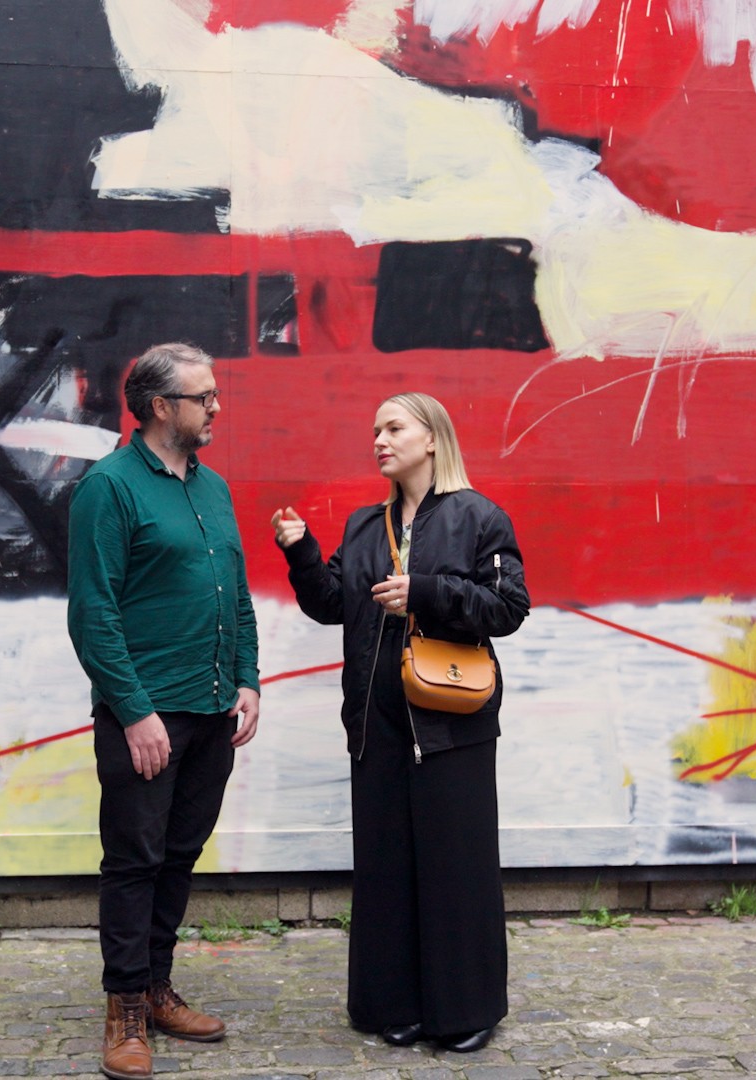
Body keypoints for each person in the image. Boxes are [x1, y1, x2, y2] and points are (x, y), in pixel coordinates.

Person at [270, 391, 528, 1053]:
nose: (380, 439)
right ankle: (395, 1004)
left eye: (393, 427)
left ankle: (465, 1010)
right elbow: (332, 604)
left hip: (451, 724)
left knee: (457, 867)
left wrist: (427, 591)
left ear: (433, 438)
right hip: (375, 725)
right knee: (386, 869)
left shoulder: (478, 517)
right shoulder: (364, 527)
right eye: (375, 429)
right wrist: (301, 551)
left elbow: (509, 606)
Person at [66, 342, 262, 1080]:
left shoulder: (213, 489)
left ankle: (154, 988)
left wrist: (247, 678)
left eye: (214, 395)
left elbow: (233, 593)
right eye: (202, 397)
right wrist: (134, 711)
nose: (216, 407)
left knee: (177, 857)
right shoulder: (109, 488)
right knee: (134, 861)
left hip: (212, 710)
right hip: (146, 716)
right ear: (157, 408)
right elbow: (93, 613)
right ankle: (123, 1008)